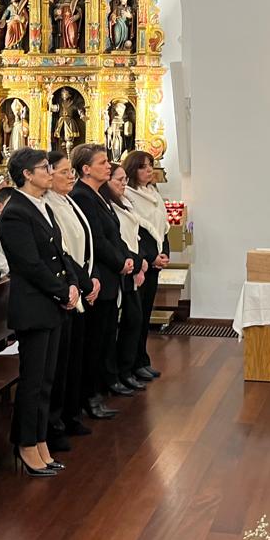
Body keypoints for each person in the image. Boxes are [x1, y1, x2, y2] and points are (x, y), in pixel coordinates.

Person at [0, 147, 80, 477]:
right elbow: (30, 264)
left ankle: (40, 438)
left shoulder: (41, 206)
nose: (49, 171)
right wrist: (62, 291)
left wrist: (72, 284)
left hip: (52, 302)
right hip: (33, 304)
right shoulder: (16, 212)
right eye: (43, 168)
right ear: (26, 174)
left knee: (47, 378)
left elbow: (59, 254)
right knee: (32, 381)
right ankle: (26, 444)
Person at [70, 143, 136, 402]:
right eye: (102, 163)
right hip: (100, 274)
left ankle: (101, 387)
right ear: (85, 169)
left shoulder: (99, 195)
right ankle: (90, 395)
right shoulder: (82, 195)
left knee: (107, 336)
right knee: (95, 340)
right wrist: (120, 263)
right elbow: (95, 239)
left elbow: (114, 234)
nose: (108, 166)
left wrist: (126, 258)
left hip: (111, 274)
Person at [44, 149, 99, 434]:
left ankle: (72, 413)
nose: (70, 176)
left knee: (75, 356)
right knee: (61, 362)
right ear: (47, 174)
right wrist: (83, 282)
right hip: (67, 290)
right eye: (64, 171)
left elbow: (88, 241)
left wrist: (93, 276)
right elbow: (63, 251)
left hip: (81, 285)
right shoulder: (48, 206)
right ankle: (57, 421)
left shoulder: (68, 201)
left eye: (70, 171)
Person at [102, 163, 149, 391]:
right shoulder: (106, 204)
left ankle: (128, 368)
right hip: (121, 267)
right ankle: (120, 372)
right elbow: (111, 241)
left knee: (135, 320)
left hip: (130, 263)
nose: (123, 184)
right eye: (118, 180)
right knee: (128, 321)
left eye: (124, 180)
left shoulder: (123, 202)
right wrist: (134, 263)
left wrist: (138, 262)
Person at [123, 150, 169, 381]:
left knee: (146, 314)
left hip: (154, 263)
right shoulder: (128, 195)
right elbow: (136, 232)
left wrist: (164, 254)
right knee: (135, 316)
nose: (149, 170)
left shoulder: (153, 193)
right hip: (141, 263)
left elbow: (163, 228)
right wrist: (151, 257)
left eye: (150, 165)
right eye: (142, 166)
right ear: (132, 170)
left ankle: (142, 358)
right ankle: (131, 363)